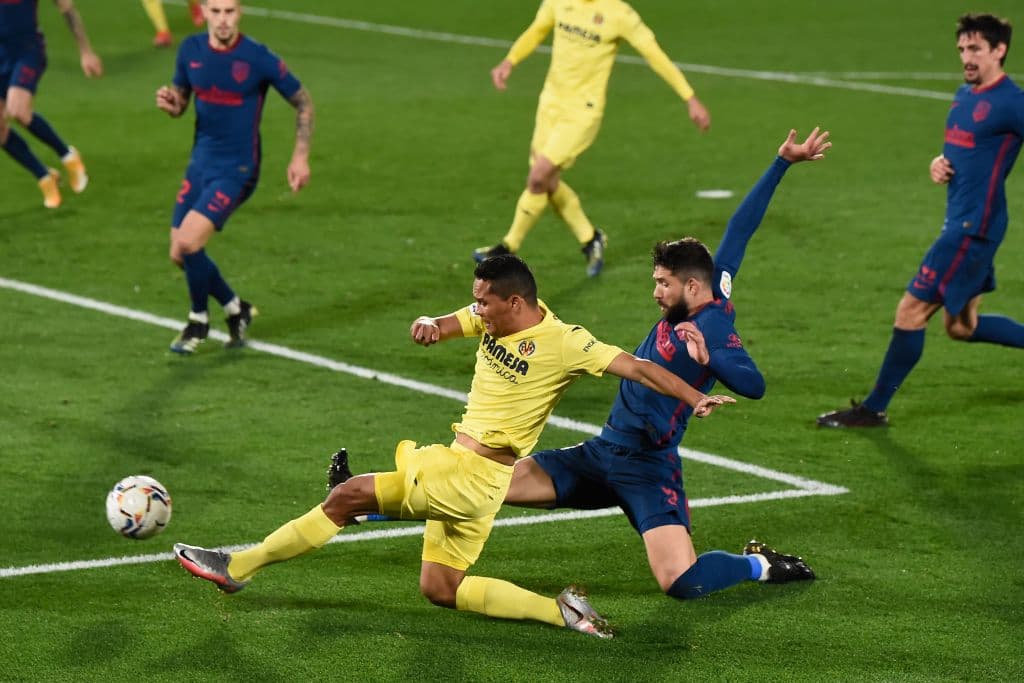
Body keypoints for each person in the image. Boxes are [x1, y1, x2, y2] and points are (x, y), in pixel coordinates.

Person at [174, 255, 736, 639]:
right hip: (474, 484)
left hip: (472, 474)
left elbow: (637, 367)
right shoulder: (492, 315)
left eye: (486, 304)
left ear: (516, 303)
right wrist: (431, 325)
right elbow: (452, 322)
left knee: (346, 495)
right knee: (441, 589)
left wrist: (693, 395)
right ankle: (562, 612)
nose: (478, 311)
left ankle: (238, 565)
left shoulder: (565, 342)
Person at [486, 130, 829, 606]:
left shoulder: (713, 330)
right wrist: (781, 163)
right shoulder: (711, 284)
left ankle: (761, 565)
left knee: (683, 584)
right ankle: (368, 504)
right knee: (482, 486)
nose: (655, 293)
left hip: (649, 469)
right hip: (604, 452)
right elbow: (741, 227)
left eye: (663, 284)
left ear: (691, 286)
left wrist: (715, 362)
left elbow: (755, 385)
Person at [818, 13, 1024, 428]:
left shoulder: (1011, 102)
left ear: (999, 50)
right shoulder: (964, 95)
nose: (967, 57)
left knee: (910, 312)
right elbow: (960, 150)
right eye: (962, 49)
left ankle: (873, 410)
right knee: (962, 327)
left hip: (971, 230)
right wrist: (939, 163)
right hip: (968, 223)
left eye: (976, 49)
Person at [472, 0, 711, 278]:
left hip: (583, 111)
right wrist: (509, 61)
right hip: (550, 104)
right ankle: (590, 238)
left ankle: (506, 248)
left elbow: (654, 54)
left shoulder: (619, 14)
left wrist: (689, 97)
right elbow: (537, 31)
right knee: (547, 181)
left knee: (538, 177)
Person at [156, 0, 313, 354]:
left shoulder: (258, 58)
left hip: (238, 169)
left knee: (189, 243)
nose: (223, 19)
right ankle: (234, 307)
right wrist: (172, 104)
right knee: (178, 253)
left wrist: (300, 156)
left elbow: (303, 102)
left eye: (230, 11)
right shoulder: (191, 50)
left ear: (239, 13)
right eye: (216, 11)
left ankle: (198, 321)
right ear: (204, 12)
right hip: (200, 165)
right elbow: (181, 99)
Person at [0, 0, 102, 209]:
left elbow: (67, 8)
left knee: (18, 110)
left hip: (27, 50)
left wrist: (86, 51)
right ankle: (45, 177)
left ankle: (68, 156)